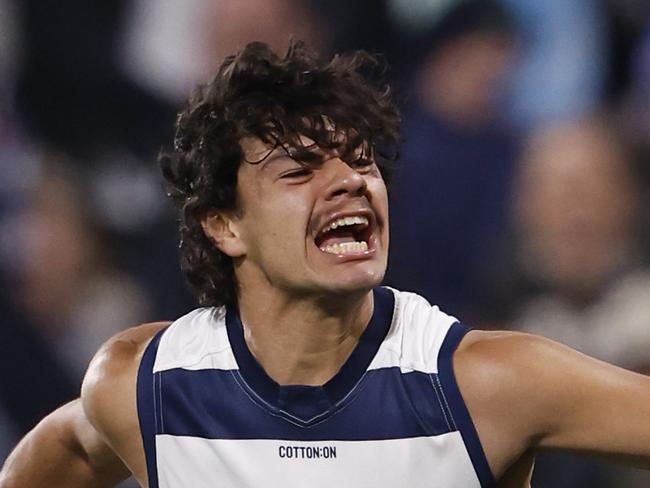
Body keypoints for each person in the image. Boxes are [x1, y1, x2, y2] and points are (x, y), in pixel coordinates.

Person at [2, 41, 650, 488]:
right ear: (224, 224)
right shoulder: (143, 387)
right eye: (299, 170)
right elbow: (57, 458)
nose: (350, 182)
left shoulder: (487, 384)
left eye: (362, 160)